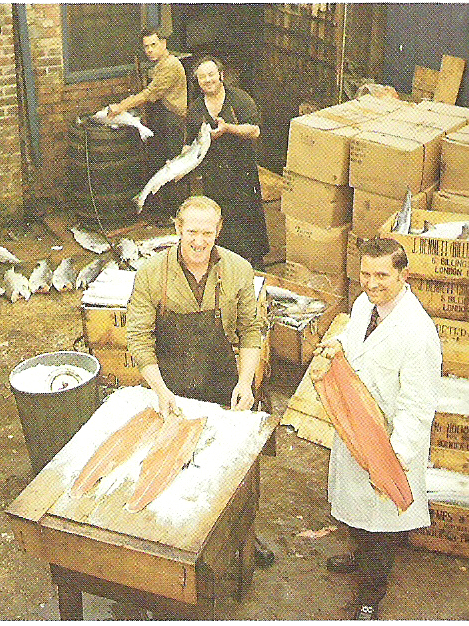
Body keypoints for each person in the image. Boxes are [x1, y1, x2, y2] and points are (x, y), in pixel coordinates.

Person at [126, 194, 274, 567]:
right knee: (174, 463)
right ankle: (174, 538)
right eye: (192, 231)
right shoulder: (152, 273)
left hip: (222, 377)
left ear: (218, 231)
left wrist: (246, 382)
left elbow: (250, 331)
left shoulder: (238, 270)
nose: (199, 241)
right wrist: (160, 390)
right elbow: (139, 338)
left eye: (207, 233)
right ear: (177, 228)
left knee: (236, 465)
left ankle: (246, 533)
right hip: (171, 382)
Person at [310, 237, 442, 620]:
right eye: (365, 273)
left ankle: (371, 595)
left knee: (381, 528)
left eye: (382, 275)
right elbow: (355, 342)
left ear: (403, 275)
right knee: (353, 510)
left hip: (387, 443)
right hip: (355, 428)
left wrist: (391, 461)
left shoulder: (418, 333)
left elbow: (417, 407)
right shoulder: (364, 304)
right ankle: (358, 553)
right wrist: (335, 346)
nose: (371, 283)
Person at [186, 57, 269, 269]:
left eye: (211, 74)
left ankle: (255, 263)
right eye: (202, 77)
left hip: (242, 169)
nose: (208, 80)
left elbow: (255, 130)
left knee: (248, 214)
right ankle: (224, 262)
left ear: (221, 75)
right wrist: (180, 163)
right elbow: (190, 143)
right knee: (219, 216)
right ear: (197, 82)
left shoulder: (239, 99)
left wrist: (229, 128)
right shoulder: (195, 109)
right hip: (214, 172)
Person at [107, 27, 187, 221]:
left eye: (154, 45)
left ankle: (173, 216)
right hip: (161, 121)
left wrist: (121, 106)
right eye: (146, 47)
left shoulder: (171, 65)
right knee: (158, 164)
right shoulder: (159, 64)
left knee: (170, 169)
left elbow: (150, 94)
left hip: (172, 122)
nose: (149, 50)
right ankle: (161, 211)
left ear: (164, 44)